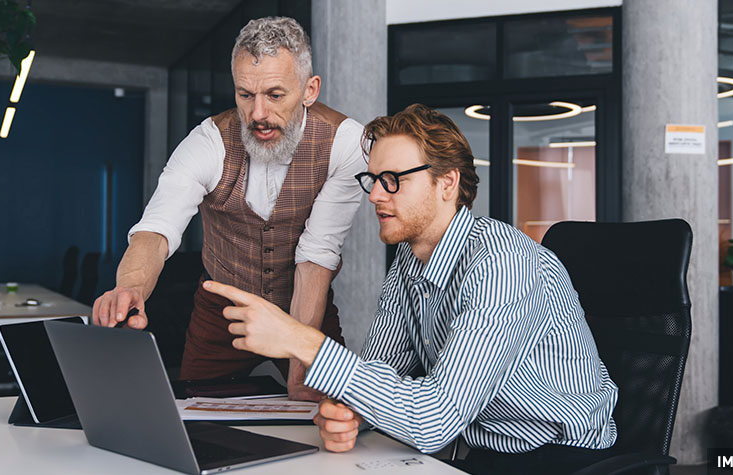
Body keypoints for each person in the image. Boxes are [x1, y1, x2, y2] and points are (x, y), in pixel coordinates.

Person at [201, 104, 619, 473]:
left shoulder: (500, 260)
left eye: (392, 179)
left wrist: (300, 339)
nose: (375, 195)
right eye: (372, 179)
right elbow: (384, 371)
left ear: (447, 183)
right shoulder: (408, 260)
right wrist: (352, 412)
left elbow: (433, 420)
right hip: (480, 451)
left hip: (561, 456)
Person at [91, 17, 366, 401]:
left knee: (325, 413)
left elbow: (317, 256)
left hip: (306, 309)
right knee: (194, 412)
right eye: (245, 95)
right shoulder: (207, 142)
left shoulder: (346, 143)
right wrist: (130, 286)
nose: (257, 114)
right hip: (219, 313)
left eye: (275, 95)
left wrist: (300, 369)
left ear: (309, 90)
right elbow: (157, 227)